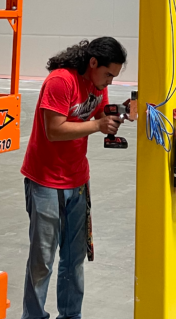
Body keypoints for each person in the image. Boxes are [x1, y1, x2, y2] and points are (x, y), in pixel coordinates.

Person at [20, 36, 129, 319]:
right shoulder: (60, 81)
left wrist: (121, 112)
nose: (109, 82)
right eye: (108, 74)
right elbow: (53, 130)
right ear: (93, 62)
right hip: (46, 182)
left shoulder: (97, 85)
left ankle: (71, 316)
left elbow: (97, 113)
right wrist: (96, 125)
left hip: (77, 181)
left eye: (114, 77)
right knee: (42, 261)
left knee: (74, 259)